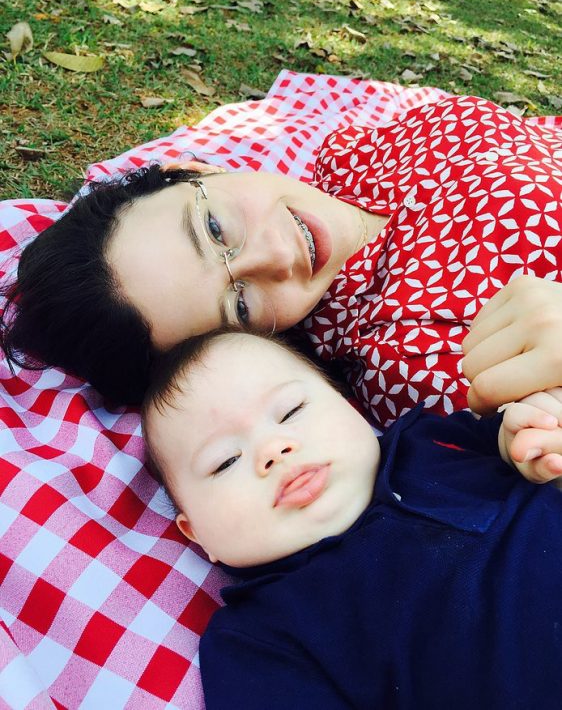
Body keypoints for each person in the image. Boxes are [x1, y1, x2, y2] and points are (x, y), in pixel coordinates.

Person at [2, 95, 562, 426]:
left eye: (215, 227)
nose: (274, 255)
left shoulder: (352, 153)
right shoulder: (409, 361)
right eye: (240, 303)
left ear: (194, 171)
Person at [142, 329, 562, 710]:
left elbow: (524, 435)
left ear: (350, 407)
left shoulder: (429, 437)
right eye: (225, 462)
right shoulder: (258, 638)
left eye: (291, 411)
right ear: (197, 535)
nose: (274, 448)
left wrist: (521, 439)